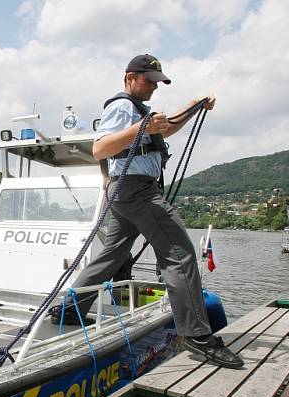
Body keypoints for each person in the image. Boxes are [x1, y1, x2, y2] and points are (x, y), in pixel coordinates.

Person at [52, 54, 244, 369]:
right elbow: (100, 148)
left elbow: (164, 131)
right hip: (136, 189)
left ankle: (71, 309)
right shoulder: (123, 107)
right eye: (149, 81)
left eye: (157, 82)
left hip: (127, 190)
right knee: (179, 254)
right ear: (130, 77)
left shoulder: (139, 111)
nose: (154, 87)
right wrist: (143, 126)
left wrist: (194, 105)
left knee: (111, 254)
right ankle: (197, 336)